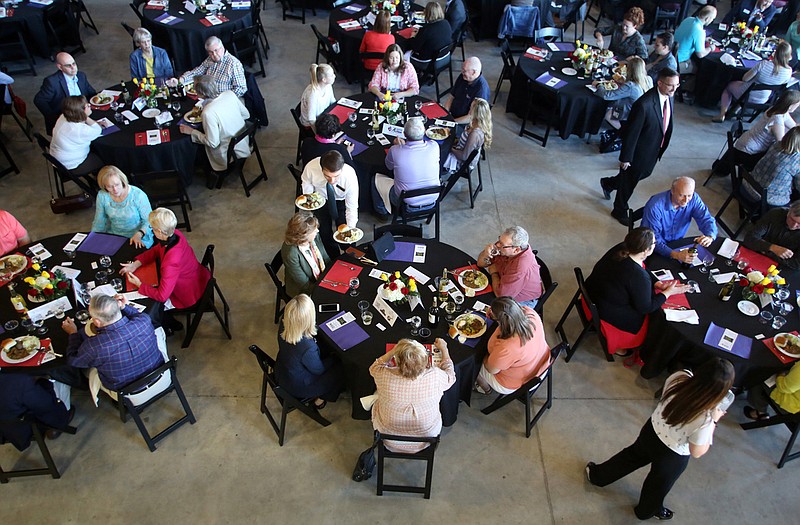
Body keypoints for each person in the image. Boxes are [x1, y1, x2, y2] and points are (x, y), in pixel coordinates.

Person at [586, 358, 735, 521]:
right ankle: (645, 511)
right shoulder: (705, 418)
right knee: (657, 485)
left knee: (629, 457)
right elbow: (697, 451)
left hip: (652, 430)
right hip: (672, 454)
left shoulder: (680, 377)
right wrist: (714, 421)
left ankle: (597, 476)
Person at [585, 228, 690, 356]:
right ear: (646, 250)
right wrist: (668, 292)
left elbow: (642, 267)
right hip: (605, 310)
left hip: (591, 293)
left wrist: (657, 283)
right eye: (654, 244)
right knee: (652, 318)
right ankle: (621, 345)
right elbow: (646, 307)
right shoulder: (637, 276)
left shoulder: (622, 248)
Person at [601, 68, 678, 226]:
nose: (674, 89)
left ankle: (609, 183)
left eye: (676, 85)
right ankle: (619, 209)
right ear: (660, 83)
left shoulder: (668, 96)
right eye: (671, 85)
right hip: (639, 152)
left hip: (654, 148)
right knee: (630, 181)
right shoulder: (644, 104)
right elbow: (632, 133)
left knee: (640, 174)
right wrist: (626, 158)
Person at [63, 294, 165, 396]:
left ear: (97, 322)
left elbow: (73, 360)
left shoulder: (94, 346)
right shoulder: (144, 321)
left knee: (90, 370)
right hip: (159, 374)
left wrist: (73, 333)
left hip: (127, 390)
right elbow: (138, 315)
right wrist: (125, 307)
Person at [370, 338, 455, 453]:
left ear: (398, 361)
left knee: (376, 396)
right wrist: (444, 349)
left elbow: (374, 368)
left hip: (388, 438)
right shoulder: (435, 376)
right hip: (426, 439)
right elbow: (451, 375)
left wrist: (394, 350)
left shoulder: (384, 375)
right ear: (425, 362)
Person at [120, 208, 211, 312]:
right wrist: (136, 264)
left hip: (187, 293)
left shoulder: (171, 263)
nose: (151, 231)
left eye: (152, 228)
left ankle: (168, 323)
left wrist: (139, 284)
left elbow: (161, 296)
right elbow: (157, 250)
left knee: (151, 307)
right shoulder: (175, 234)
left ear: (159, 231)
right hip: (196, 276)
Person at [276, 294, 345, 409]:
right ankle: (320, 400)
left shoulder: (285, 326)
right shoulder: (307, 347)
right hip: (299, 385)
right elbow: (319, 370)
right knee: (341, 370)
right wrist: (334, 358)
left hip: (283, 371)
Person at [474, 297, 550, 395]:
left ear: (501, 322)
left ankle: (485, 389)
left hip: (516, 381)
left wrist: (483, 357)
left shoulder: (508, 346)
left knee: (473, 364)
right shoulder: (531, 313)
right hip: (541, 363)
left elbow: (491, 369)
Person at [178, 75, 250, 173]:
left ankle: (207, 175)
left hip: (229, 151)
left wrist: (192, 132)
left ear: (200, 93)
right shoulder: (229, 94)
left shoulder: (208, 112)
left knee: (194, 147)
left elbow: (213, 143)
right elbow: (246, 115)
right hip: (244, 140)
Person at [372, 118, 439, 220]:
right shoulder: (435, 146)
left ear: (404, 134)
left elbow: (388, 166)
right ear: (425, 131)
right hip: (432, 201)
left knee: (375, 179)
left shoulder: (395, 150)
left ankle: (382, 212)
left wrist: (399, 147)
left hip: (405, 203)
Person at [641, 177, 718, 262]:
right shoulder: (654, 207)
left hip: (677, 243)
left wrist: (710, 236)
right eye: (682, 195)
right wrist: (676, 255)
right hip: (654, 248)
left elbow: (706, 218)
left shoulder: (694, 199)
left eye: (689, 195)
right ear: (672, 191)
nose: (686, 200)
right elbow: (652, 239)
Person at [714, 41, 793, 123]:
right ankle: (735, 110)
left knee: (729, 86)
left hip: (746, 93)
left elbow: (745, 79)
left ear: (775, 52)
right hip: (763, 99)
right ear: (789, 56)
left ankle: (722, 114)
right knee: (746, 90)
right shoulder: (788, 71)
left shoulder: (764, 64)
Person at [301, 150, 359, 257]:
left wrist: (351, 229)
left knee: (345, 229)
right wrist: (310, 199)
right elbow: (306, 182)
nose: (332, 181)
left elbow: (352, 207)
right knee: (324, 232)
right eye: (327, 176)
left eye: (336, 176)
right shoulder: (311, 167)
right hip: (321, 200)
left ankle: (349, 256)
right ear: (321, 168)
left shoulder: (349, 175)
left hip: (341, 201)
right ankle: (333, 258)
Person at [728, 90, 800, 171]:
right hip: (748, 153)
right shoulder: (777, 120)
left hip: (744, 143)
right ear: (790, 106)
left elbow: (794, 126)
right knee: (776, 161)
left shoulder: (776, 109)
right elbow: (781, 144)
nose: (798, 106)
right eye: (797, 104)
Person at [0, 374, 73, 449]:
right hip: (21, 429)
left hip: (7, 426)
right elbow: (46, 407)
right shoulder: (20, 382)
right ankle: (60, 420)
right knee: (58, 376)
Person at [477, 226, 543, 307]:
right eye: (499, 240)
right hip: (504, 282)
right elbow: (480, 264)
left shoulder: (520, 267)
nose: (497, 245)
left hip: (523, 302)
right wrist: (485, 253)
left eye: (502, 244)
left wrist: (494, 273)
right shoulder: (507, 248)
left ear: (516, 250)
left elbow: (501, 295)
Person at [91, 166, 153, 249]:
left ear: (122, 181)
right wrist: (93, 238)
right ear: (104, 186)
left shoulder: (137, 195)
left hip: (139, 236)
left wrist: (139, 233)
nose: (115, 190)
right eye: (109, 186)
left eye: (117, 184)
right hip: (115, 235)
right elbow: (99, 221)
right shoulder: (102, 195)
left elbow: (149, 220)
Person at [33, 52, 96, 134]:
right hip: (67, 120)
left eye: (74, 64)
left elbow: (91, 93)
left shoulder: (81, 76)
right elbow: (39, 100)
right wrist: (54, 118)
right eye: (68, 65)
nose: (73, 68)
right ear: (60, 67)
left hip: (84, 114)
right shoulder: (52, 82)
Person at [170, 36, 246, 97]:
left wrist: (223, 99)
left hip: (223, 99)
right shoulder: (209, 59)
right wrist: (181, 80)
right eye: (211, 52)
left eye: (216, 50)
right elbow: (197, 71)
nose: (214, 54)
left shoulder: (233, 64)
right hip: (207, 96)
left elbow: (241, 88)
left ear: (222, 48)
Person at [743, 126, 800, 207]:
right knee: (795, 203)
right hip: (763, 198)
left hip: (747, 185)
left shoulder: (776, 145)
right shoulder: (796, 161)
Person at [49, 95, 103, 177]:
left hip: (57, 157)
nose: (90, 106)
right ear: (81, 112)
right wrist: (86, 116)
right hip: (71, 164)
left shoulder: (63, 116)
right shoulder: (79, 130)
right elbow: (98, 130)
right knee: (105, 158)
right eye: (87, 106)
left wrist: (83, 115)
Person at [281, 212, 331, 297]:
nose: (317, 230)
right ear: (303, 235)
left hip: (321, 279)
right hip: (303, 291)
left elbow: (325, 258)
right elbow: (304, 285)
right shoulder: (291, 254)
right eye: (314, 230)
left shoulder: (314, 236)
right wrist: (326, 290)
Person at [593, 56, 650, 129]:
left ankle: (623, 132)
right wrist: (625, 81)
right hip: (640, 114)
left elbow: (607, 96)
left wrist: (598, 85)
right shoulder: (648, 79)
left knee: (607, 115)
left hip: (627, 113)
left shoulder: (630, 86)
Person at [743, 202, 800, 269]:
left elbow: (796, 264)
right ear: (789, 211)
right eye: (792, 220)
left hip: (780, 267)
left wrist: (767, 250)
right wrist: (773, 248)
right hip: (756, 254)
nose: (793, 225)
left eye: (799, 223)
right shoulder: (775, 214)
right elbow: (749, 238)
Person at [443, 97, 492, 172]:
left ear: (476, 113)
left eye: (471, 108)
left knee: (435, 154)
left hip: (461, 163)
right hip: (459, 149)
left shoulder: (475, 134)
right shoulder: (474, 123)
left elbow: (464, 156)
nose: (469, 109)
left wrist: (450, 148)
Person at [674, 6, 716, 86]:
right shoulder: (699, 31)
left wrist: (703, 39)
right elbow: (700, 54)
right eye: (712, 19)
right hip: (680, 61)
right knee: (701, 70)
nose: (712, 21)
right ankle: (686, 90)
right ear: (707, 18)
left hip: (672, 53)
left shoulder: (688, 19)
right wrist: (711, 48)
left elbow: (688, 35)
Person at [442, 56, 491, 125]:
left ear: (474, 72)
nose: (462, 72)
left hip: (466, 123)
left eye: (464, 71)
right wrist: (445, 115)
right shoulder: (463, 77)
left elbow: (471, 117)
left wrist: (451, 122)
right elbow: (451, 97)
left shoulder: (481, 90)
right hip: (452, 116)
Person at [408, 2, 452, 71]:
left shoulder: (427, 30)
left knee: (403, 55)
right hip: (444, 57)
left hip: (427, 62)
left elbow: (415, 47)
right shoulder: (446, 23)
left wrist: (412, 36)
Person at [299, 63, 337, 129]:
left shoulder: (328, 86)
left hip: (323, 117)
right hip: (311, 125)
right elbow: (311, 120)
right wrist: (318, 135)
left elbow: (333, 102)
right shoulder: (312, 94)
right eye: (331, 75)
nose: (334, 76)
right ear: (324, 79)